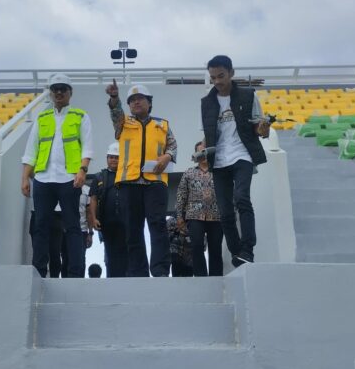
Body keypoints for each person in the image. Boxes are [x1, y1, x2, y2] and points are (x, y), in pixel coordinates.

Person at [21, 74, 93, 278]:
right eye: (55, 89)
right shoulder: (42, 118)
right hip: (43, 179)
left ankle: (75, 273)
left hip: (69, 178)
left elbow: (87, 147)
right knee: (40, 227)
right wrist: (25, 178)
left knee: (72, 227)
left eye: (63, 88)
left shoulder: (80, 116)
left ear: (70, 92)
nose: (59, 92)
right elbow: (31, 150)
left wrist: (82, 170)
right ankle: (39, 272)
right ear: (51, 93)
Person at [201, 55, 270, 267]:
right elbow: (207, 133)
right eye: (213, 77)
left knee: (241, 198)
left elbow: (260, 129)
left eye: (221, 76)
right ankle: (237, 252)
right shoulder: (206, 102)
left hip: (243, 155)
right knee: (224, 210)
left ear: (231, 72)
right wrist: (202, 152)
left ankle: (248, 249)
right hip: (218, 159)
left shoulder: (249, 96)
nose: (217, 81)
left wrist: (264, 128)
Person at [105, 79, 176, 277]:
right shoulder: (122, 123)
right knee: (133, 229)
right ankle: (138, 271)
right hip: (130, 182)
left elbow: (173, 146)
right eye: (132, 100)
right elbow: (115, 111)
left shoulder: (162, 125)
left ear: (149, 103)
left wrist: (168, 156)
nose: (136, 102)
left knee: (158, 225)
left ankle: (160, 270)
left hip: (155, 182)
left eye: (141, 99)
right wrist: (114, 97)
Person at [176, 141, 223, 276]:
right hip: (194, 216)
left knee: (215, 248)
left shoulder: (219, 172)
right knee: (196, 246)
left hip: (217, 216)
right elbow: (181, 195)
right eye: (200, 151)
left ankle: (216, 278)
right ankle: (201, 276)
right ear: (195, 154)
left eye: (205, 151)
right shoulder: (189, 173)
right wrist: (179, 216)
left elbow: (228, 193)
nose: (204, 155)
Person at [88, 142, 128, 278]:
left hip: (125, 221)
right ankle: (112, 279)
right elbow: (93, 199)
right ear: (107, 158)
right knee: (110, 252)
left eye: (116, 157)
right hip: (106, 222)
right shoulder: (99, 177)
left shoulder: (128, 176)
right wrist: (93, 218)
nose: (113, 160)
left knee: (125, 251)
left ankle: (124, 280)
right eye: (111, 157)